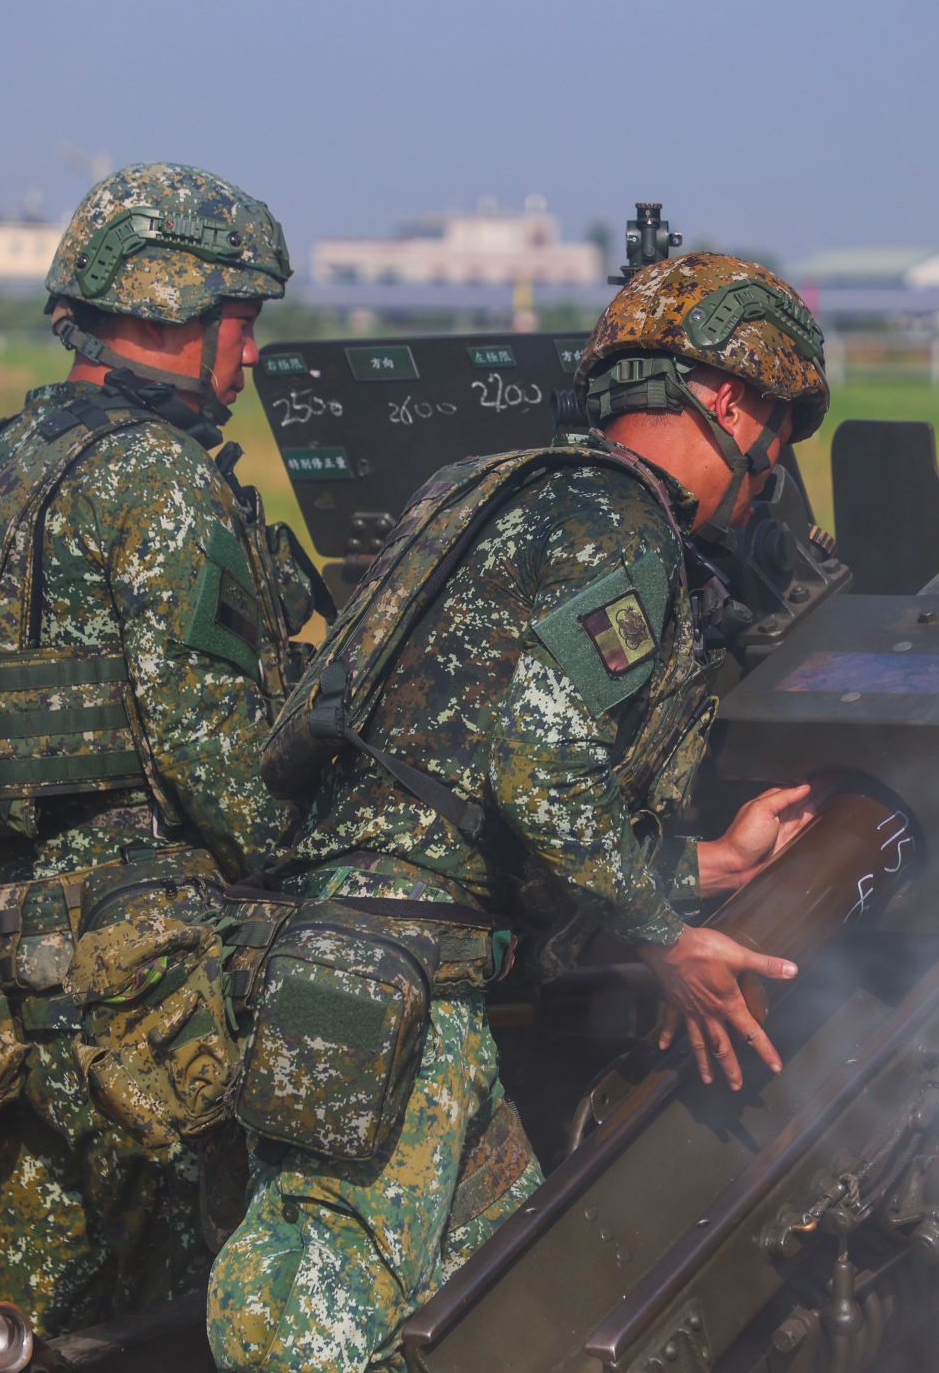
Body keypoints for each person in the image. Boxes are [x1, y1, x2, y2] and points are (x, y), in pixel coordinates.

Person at [207, 252, 832, 1373]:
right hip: (394, 982)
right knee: (317, 1317)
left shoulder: (508, 490)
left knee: (506, 1310)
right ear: (730, 398)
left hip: (384, 966)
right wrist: (667, 935)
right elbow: (539, 761)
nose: (774, 464)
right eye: (781, 426)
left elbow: (474, 776)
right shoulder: (623, 520)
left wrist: (706, 868)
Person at [0, 164, 320, 1333]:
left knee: (27, 1324)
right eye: (239, 323)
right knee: (167, 1324)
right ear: (171, 308)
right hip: (137, 969)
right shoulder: (158, 477)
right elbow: (216, 759)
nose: (245, 359)